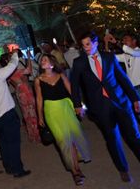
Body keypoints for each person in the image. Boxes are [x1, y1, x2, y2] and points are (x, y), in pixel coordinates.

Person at [70, 32, 140, 183]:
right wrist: (77, 105)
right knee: (112, 140)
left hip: (121, 104)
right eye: (83, 45)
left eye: (87, 44)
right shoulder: (79, 62)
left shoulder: (109, 57)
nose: (85, 48)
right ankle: (123, 169)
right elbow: (74, 85)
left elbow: (123, 79)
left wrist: (135, 99)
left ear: (95, 43)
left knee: (134, 137)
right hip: (100, 108)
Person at [35, 54, 91, 186]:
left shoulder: (61, 76)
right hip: (51, 112)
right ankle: (75, 172)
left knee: (74, 137)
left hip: (66, 108)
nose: (42, 61)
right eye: (42, 60)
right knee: (63, 140)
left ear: (52, 64)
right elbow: (39, 99)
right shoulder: (38, 80)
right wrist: (40, 116)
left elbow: (72, 91)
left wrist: (80, 105)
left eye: (45, 60)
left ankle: (76, 167)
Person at [8, 51, 40, 143]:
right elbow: (29, 70)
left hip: (19, 92)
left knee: (26, 115)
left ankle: (32, 135)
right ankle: (36, 135)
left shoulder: (9, 72)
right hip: (25, 92)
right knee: (33, 113)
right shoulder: (16, 71)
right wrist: (29, 57)